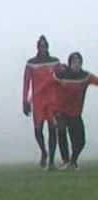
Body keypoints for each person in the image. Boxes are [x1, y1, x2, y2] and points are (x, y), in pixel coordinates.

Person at [53, 52, 98, 171]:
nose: (76, 65)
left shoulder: (85, 77)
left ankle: (73, 161)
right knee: (61, 131)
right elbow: (49, 79)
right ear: (69, 64)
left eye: (78, 62)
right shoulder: (61, 75)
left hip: (76, 113)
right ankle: (65, 160)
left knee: (81, 141)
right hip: (61, 111)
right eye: (73, 62)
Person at [22, 35, 61, 170]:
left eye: (45, 46)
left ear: (47, 47)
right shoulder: (31, 63)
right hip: (38, 101)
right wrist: (25, 101)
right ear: (38, 47)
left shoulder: (55, 62)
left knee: (52, 129)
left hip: (52, 100)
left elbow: (61, 79)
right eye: (41, 46)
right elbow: (26, 82)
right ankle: (43, 151)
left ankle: (51, 160)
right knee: (38, 130)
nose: (43, 48)